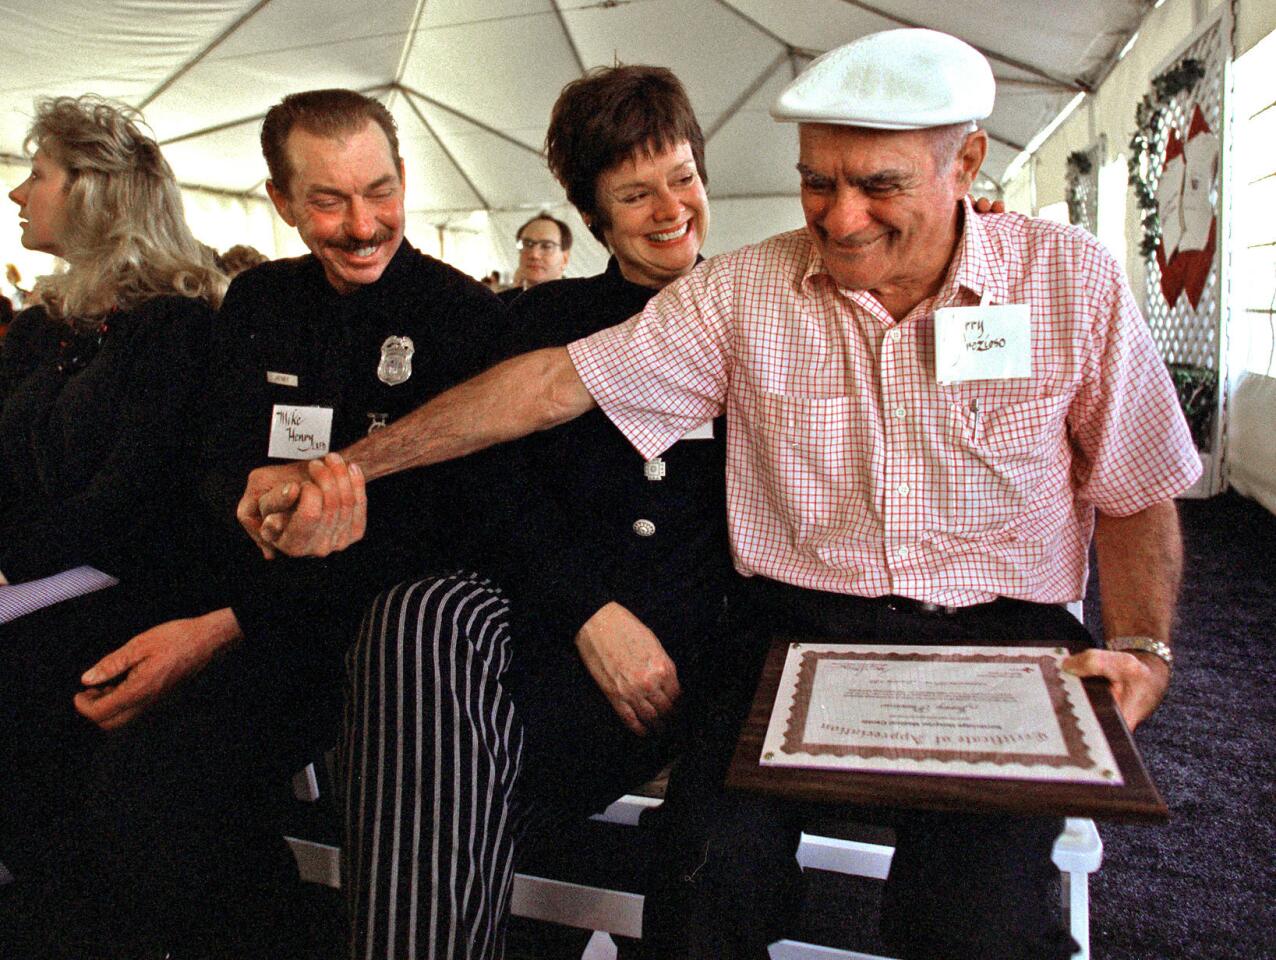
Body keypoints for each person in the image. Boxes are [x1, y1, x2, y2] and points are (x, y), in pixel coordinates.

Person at [240, 30, 1199, 959]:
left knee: (973, 920)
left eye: (879, 185)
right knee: (701, 887)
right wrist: (352, 466)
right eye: (818, 180)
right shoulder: (748, 293)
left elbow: (1138, 483)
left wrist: (1143, 647)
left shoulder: (1071, 282)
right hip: (800, 627)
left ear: (969, 164)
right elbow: (542, 390)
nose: (840, 216)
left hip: (999, 633)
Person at [0, 94, 236, 958]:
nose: (20, 195)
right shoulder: (39, 330)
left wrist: (11, 560)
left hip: (137, 583)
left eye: (38, 175)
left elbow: (138, 498)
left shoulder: (174, 327)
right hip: (41, 575)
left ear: (97, 192)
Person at [499, 211, 572, 302]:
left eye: (546, 246)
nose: (534, 255)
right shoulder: (499, 305)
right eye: (528, 244)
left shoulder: (581, 305)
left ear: (565, 259)